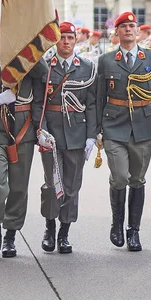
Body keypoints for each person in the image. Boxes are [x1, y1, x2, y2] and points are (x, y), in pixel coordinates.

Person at [0, 24, 47, 260]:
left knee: (19, 186)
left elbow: (43, 73)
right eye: (4, 37)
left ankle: (10, 235)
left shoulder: (28, 63)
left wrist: (29, 49)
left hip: (23, 131)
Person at [96, 11, 151, 252]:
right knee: (119, 177)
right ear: (116, 33)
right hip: (114, 126)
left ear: (138, 32)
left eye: (132, 26)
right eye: (123, 26)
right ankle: (117, 223)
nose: (128, 29)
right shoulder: (106, 60)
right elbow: (98, 97)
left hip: (143, 126)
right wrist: (96, 130)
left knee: (137, 179)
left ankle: (133, 230)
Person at [33, 22, 98, 254]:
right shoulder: (45, 68)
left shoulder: (87, 68)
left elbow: (91, 105)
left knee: (72, 185)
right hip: (51, 133)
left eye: (70, 37)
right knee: (52, 183)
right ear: (56, 41)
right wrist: (39, 130)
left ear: (76, 40)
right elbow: (38, 103)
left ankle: (64, 232)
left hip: (77, 133)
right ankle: (49, 228)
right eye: (62, 38)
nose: (67, 42)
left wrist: (92, 136)